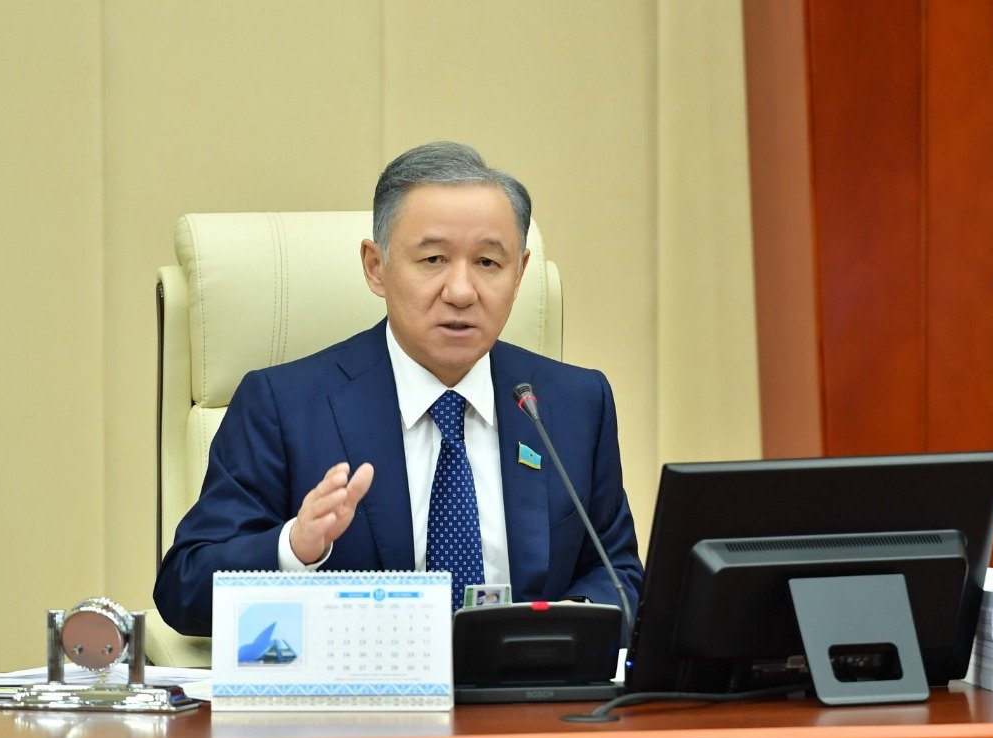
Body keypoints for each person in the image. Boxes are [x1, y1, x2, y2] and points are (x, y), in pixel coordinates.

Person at [155, 141, 642, 636]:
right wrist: (293, 549)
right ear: (376, 267)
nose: (461, 292)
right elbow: (184, 586)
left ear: (519, 274)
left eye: (488, 263)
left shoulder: (572, 404)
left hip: (525, 682)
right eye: (433, 259)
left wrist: (565, 631)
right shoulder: (283, 407)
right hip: (362, 682)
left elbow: (618, 575)